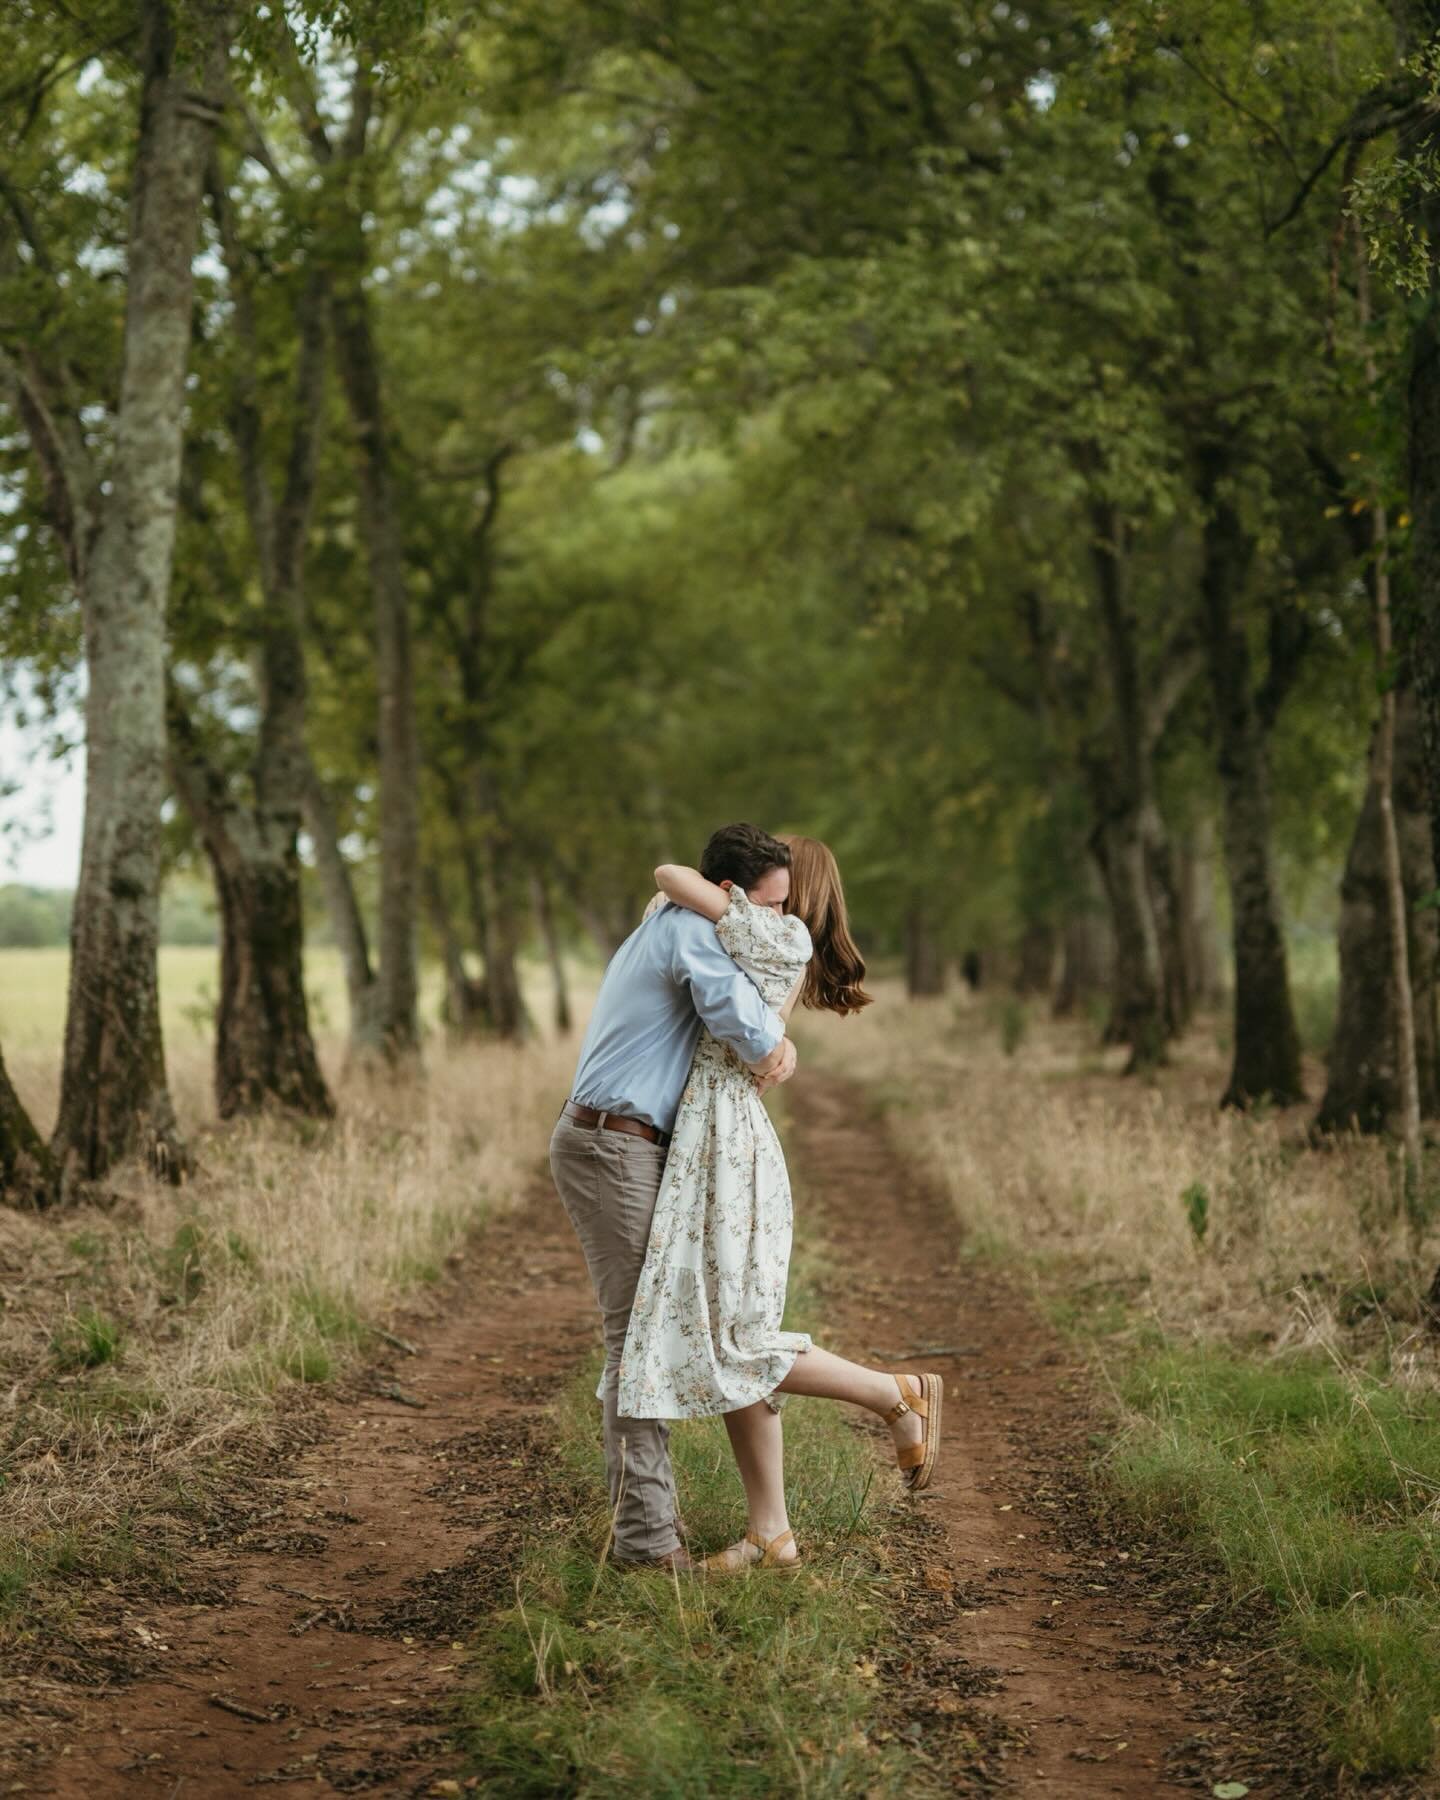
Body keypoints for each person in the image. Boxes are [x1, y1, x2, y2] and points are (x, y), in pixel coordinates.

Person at [621, 834, 944, 1574]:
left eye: (773, 871)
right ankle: (772, 1534)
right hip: (717, 1136)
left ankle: (892, 1393)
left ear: (788, 891)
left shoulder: (772, 931)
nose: (752, 881)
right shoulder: (755, 934)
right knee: (734, 1326)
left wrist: (717, 888)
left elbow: (667, 877)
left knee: (730, 1335)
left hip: (725, 1147)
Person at [550, 823, 799, 1570]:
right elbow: (752, 1036)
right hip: (610, 1146)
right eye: (772, 904)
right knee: (634, 1348)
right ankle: (647, 1549)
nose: (778, 921)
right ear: (729, 896)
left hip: (625, 1143)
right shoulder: (692, 929)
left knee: (669, 1332)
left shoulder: (683, 917)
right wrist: (780, 1046)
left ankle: (662, 1539)